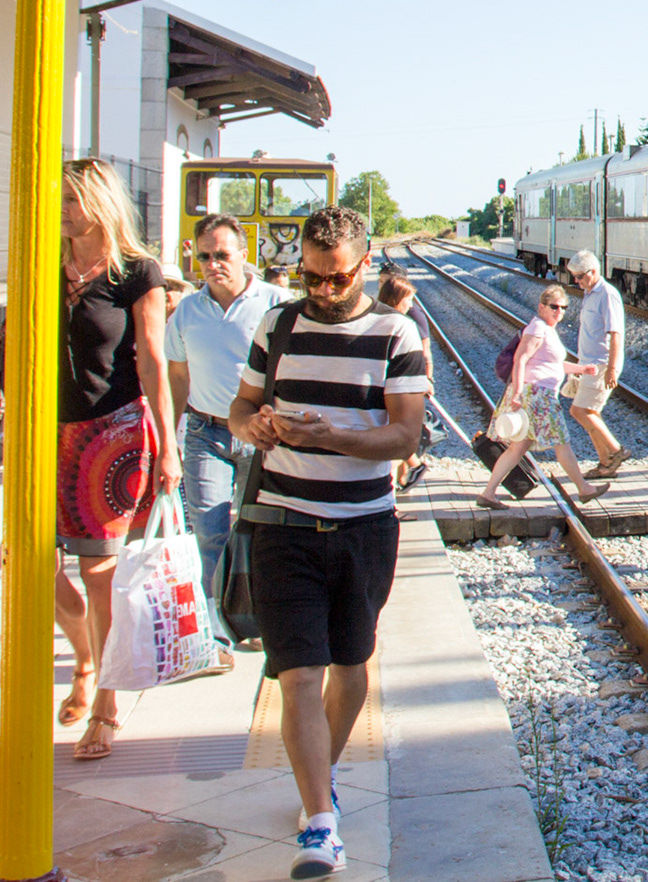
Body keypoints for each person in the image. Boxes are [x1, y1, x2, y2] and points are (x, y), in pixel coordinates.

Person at [229, 205, 427, 876]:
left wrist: (329, 437)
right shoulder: (277, 323)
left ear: (363, 265)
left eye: (333, 278)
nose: (319, 290)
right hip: (282, 525)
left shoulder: (396, 333)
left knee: (349, 671)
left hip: (364, 527)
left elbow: (403, 436)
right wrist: (251, 425)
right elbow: (240, 403)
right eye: (308, 277)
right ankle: (319, 822)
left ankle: (323, 777)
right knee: (299, 675)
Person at [53, 159, 181, 761]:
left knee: (98, 573)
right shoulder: (45, 264)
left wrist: (169, 445)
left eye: (73, 200)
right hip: (44, 432)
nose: (62, 209)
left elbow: (152, 360)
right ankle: (84, 660)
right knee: (30, 566)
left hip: (112, 434)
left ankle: (105, 702)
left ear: (100, 203)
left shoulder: (136, 272)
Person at [165, 213, 295, 656]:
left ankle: (256, 618)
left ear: (244, 255)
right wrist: (169, 437)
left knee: (259, 533)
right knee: (211, 532)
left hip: (263, 434)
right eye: (204, 256)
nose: (212, 263)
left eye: (221, 254)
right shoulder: (187, 310)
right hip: (205, 433)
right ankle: (215, 632)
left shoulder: (277, 303)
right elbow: (177, 377)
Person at [475, 284, 610, 509]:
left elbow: (552, 364)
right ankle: (584, 489)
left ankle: (488, 493)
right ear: (541, 307)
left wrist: (582, 369)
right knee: (561, 441)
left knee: (517, 448)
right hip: (536, 395)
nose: (559, 312)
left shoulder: (546, 329)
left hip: (538, 394)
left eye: (563, 308)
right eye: (554, 307)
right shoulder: (537, 328)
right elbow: (521, 359)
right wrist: (517, 392)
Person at [566, 250, 632, 478]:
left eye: (580, 276)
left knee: (579, 410)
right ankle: (605, 465)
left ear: (593, 272)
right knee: (591, 412)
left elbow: (616, 333)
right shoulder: (590, 293)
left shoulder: (607, 294)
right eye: (574, 276)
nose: (577, 281)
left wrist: (612, 368)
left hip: (602, 364)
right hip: (589, 363)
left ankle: (617, 450)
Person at [374, 272, 435, 490]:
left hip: (383, 388)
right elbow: (417, 356)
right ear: (397, 299)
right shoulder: (401, 325)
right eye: (408, 300)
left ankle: (403, 478)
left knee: (394, 435)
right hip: (396, 390)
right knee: (397, 435)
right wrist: (426, 380)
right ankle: (404, 476)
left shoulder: (376, 319)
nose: (411, 305)